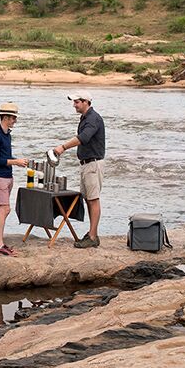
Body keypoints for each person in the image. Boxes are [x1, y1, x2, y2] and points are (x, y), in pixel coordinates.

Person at [53, 91, 105, 249]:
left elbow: (83, 138)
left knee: (93, 199)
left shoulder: (93, 119)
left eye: (76, 102)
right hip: (86, 163)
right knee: (88, 198)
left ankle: (93, 236)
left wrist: (62, 147)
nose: (74, 105)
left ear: (85, 102)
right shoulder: (86, 118)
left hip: (92, 164)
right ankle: (92, 234)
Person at [0, 102, 28, 256]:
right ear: (5, 117)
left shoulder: (6, 134)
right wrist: (15, 162)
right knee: (5, 209)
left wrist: (16, 161)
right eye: (13, 118)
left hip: (5, 176)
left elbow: (4, 157)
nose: (15, 121)